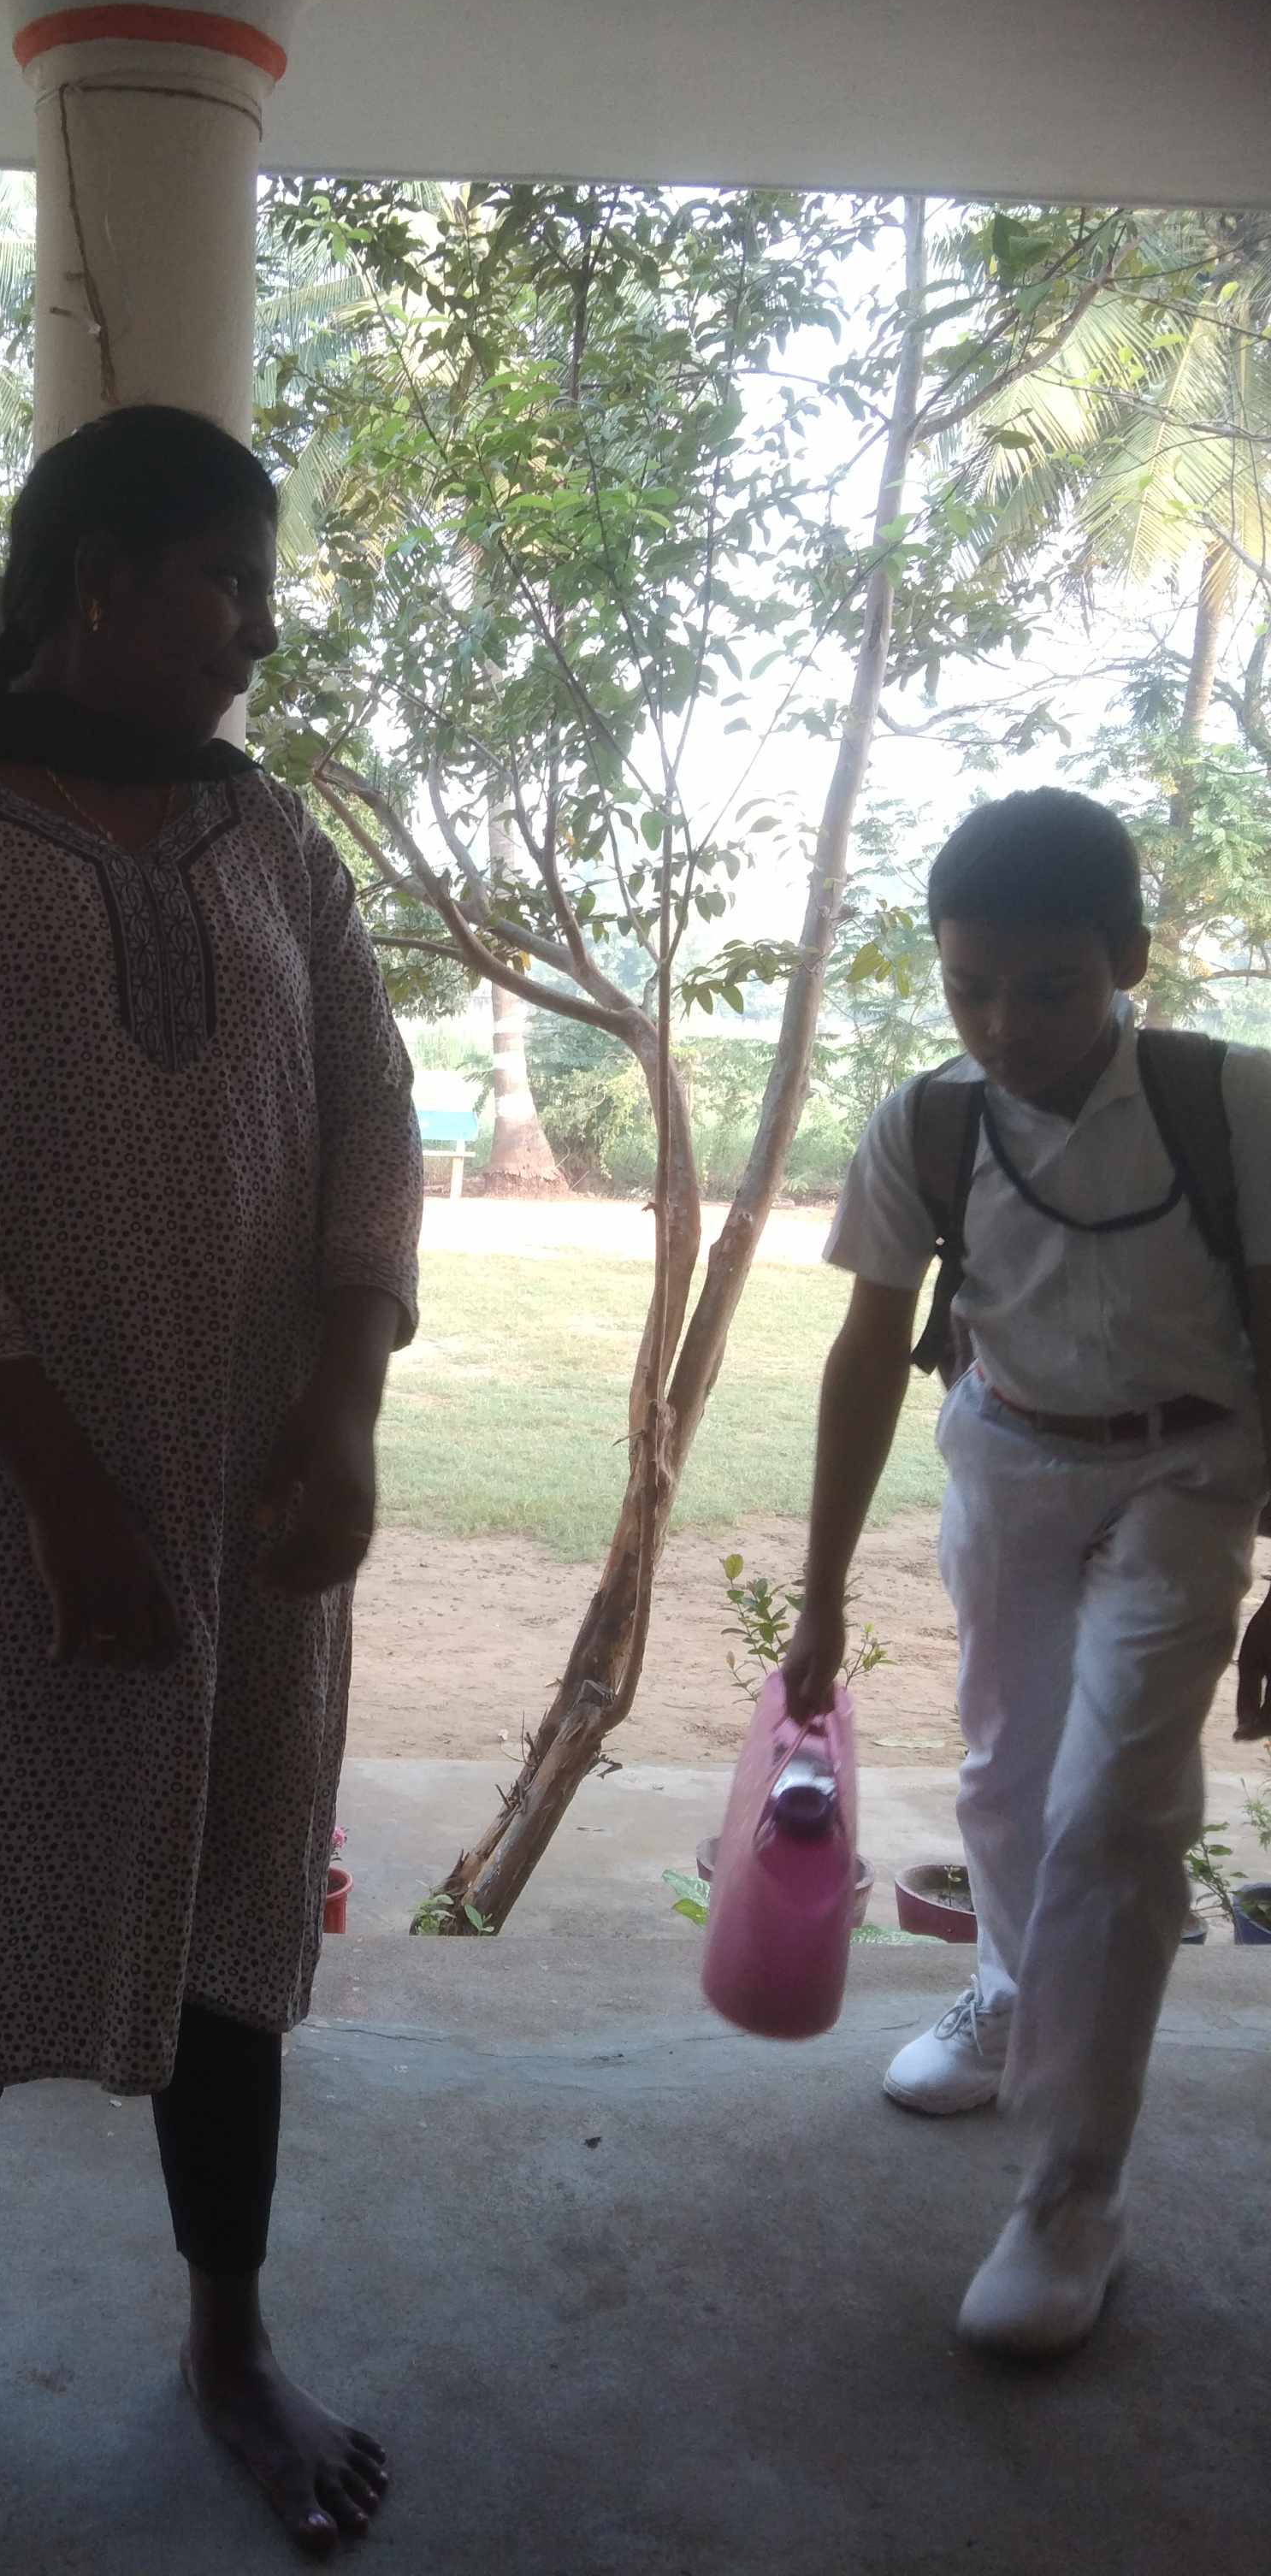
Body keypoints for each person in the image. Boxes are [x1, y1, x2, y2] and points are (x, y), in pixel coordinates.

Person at [0, 405, 421, 2554]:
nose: (255, 631)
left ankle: (231, 2344)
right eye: (227, 581)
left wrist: (343, 1407)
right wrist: (54, 1488)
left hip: (249, 1497)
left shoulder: (270, 840)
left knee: (232, 1914)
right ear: (103, 578)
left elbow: (373, 1117)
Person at [784, 788, 1271, 2359]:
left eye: (1049, 987)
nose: (1005, 1025)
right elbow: (867, 1353)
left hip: (1192, 1469)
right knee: (1004, 1775)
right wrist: (819, 1592)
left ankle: (1073, 2193)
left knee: (1118, 1808)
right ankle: (1007, 1995)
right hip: (1008, 1457)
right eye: (970, 986)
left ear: (1129, 957)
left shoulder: (1233, 1105)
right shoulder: (929, 1123)